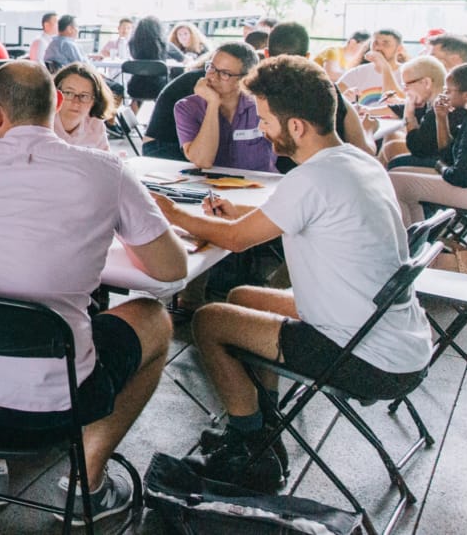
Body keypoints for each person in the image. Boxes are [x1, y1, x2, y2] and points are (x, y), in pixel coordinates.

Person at [0, 61, 186, 515]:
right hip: (54, 398)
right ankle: (88, 482)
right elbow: (171, 269)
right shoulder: (106, 170)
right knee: (154, 318)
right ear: (56, 103)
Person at [159, 56, 432, 493]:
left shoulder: (312, 179)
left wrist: (172, 213)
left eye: (266, 120)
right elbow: (294, 214)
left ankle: (249, 446)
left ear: (297, 127)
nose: (262, 129)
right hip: (395, 338)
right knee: (243, 297)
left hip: (366, 357)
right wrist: (237, 211)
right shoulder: (357, 161)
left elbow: (236, 240)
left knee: (209, 320)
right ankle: (262, 429)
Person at [390, 63, 467, 225]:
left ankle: (413, 236)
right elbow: (450, 157)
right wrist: (441, 118)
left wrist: (440, 166)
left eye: (448, 91)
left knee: (395, 182)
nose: (444, 95)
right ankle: (419, 233)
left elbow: (461, 178)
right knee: (397, 172)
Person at [263, 21, 373, 162]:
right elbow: (364, 152)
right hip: (328, 170)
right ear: (307, 57)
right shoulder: (328, 91)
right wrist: (369, 130)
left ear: (266, 54)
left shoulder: (256, 93)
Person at [175, 42, 276, 172]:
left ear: (245, 78)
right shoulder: (187, 107)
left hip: (260, 182)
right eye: (211, 68)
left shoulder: (263, 105)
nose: (213, 77)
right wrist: (213, 104)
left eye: (224, 73)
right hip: (209, 183)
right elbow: (203, 161)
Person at [375, 56, 456, 169]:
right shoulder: (435, 101)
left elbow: (417, 149)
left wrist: (409, 113)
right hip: (441, 156)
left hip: (446, 165)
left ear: (426, 83)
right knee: (391, 140)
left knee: (393, 154)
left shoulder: (438, 109)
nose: (404, 90)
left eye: (406, 85)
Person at [53, 61, 115, 151]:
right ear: (55, 93)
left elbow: (106, 158)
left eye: (84, 96)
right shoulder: (40, 122)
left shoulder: (95, 124)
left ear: (95, 101)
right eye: (69, 93)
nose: (76, 102)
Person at [337, 28, 405, 106]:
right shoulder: (358, 72)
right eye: (375, 43)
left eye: (385, 44)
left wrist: (385, 66)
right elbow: (333, 94)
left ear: (399, 49)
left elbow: (402, 104)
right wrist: (344, 98)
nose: (378, 48)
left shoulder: (406, 73)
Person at [127, 15, 178, 101]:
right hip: (160, 87)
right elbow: (183, 59)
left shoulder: (132, 43)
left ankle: (135, 107)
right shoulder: (164, 44)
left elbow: (132, 56)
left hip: (135, 86)